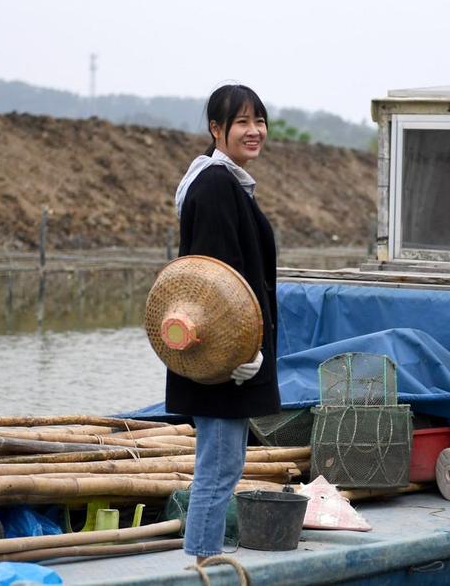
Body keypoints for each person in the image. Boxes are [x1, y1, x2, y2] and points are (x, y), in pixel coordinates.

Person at [166, 84, 280, 562]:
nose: (254, 131)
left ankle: (202, 558)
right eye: (242, 122)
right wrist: (242, 351)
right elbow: (214, 283)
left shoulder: (223, 181)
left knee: (222, 463)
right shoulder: (215, 185)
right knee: (217, 466)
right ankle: (202, 564)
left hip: (224, 352)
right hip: (221, 355)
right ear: (216, 129)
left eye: (259, 121)